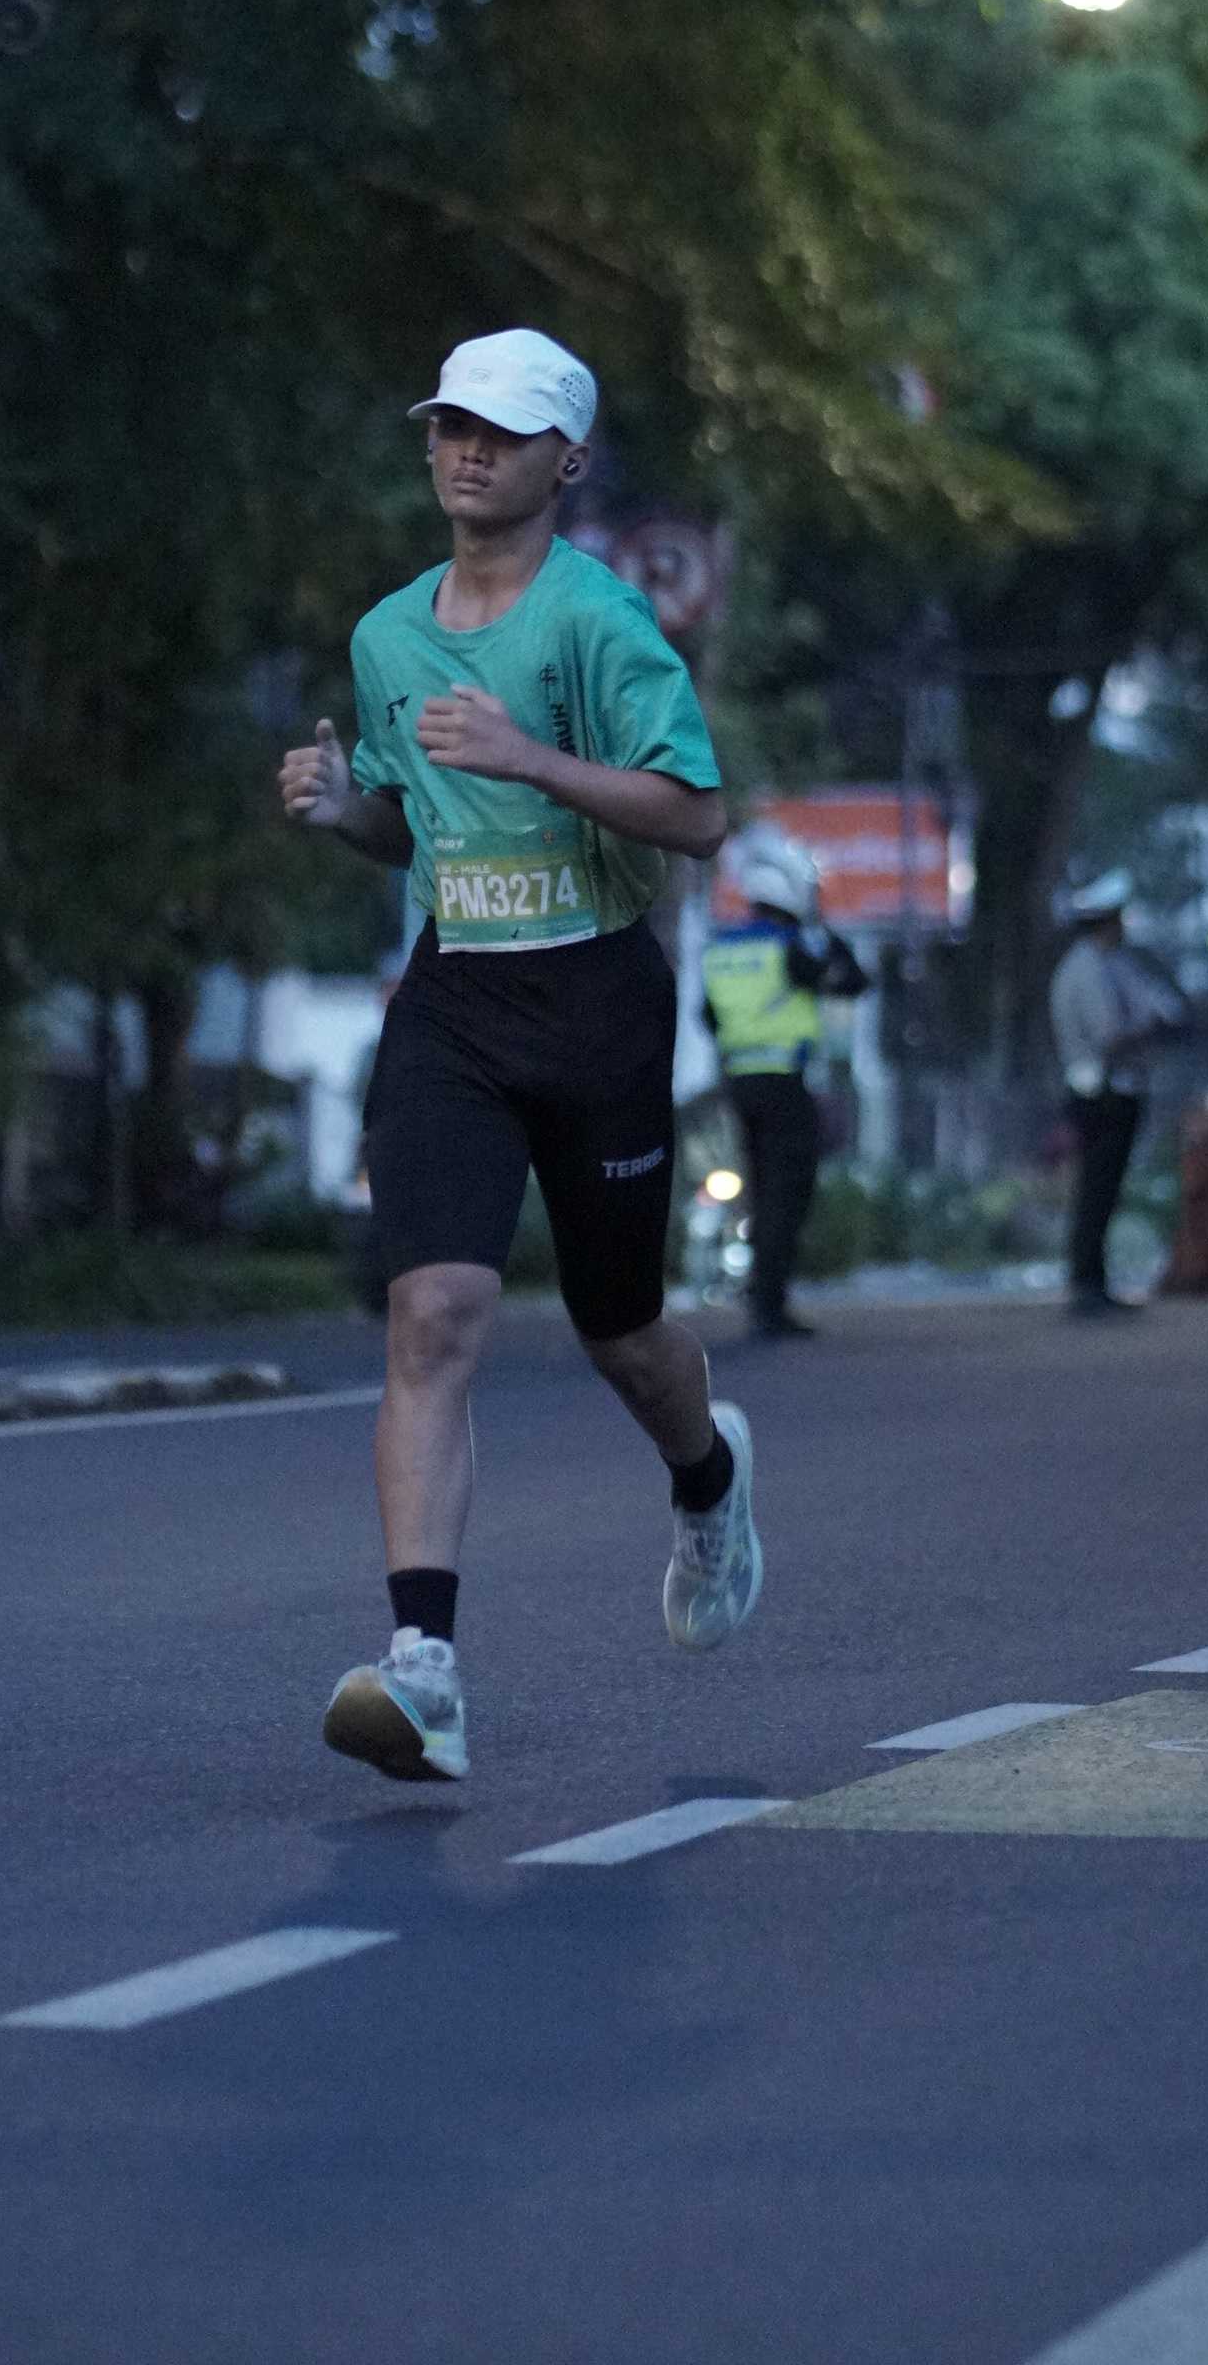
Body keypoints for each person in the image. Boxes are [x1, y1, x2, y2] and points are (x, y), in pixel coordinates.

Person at [279, 327, 761, 1785]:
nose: (466, 449)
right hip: (457, 1003)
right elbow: (407, 825)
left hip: (598, 997)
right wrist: (342, 809)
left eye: (498, 429)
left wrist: (531, 755)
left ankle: (708, 1477)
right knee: (431, 1312)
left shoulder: (600, 625)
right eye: (449, 424)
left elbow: (696, 817)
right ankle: (422, 1665)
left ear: (567, 460)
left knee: (621, 1333)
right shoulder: (386, 636)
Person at [701, 829, 867, 1339]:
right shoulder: (788, 948)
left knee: (759, 1190)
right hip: (784, 1086)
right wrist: (824, 929)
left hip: (739, 1084)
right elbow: (851, 981)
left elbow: (709, 1017)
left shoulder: (721, 949)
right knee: (786, 1194)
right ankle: (769, 1304)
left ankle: (761, 1294)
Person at [1048, 871, 1179, 1315]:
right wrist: (1148, 1031)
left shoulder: (1115, 965)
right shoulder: (1084, 969)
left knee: (1106, 1190)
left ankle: (1095, 1282)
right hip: (1098, 1094)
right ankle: (1085, 1283)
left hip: (1120, 1090)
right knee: (1095, 1189)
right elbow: (1109, 1034)